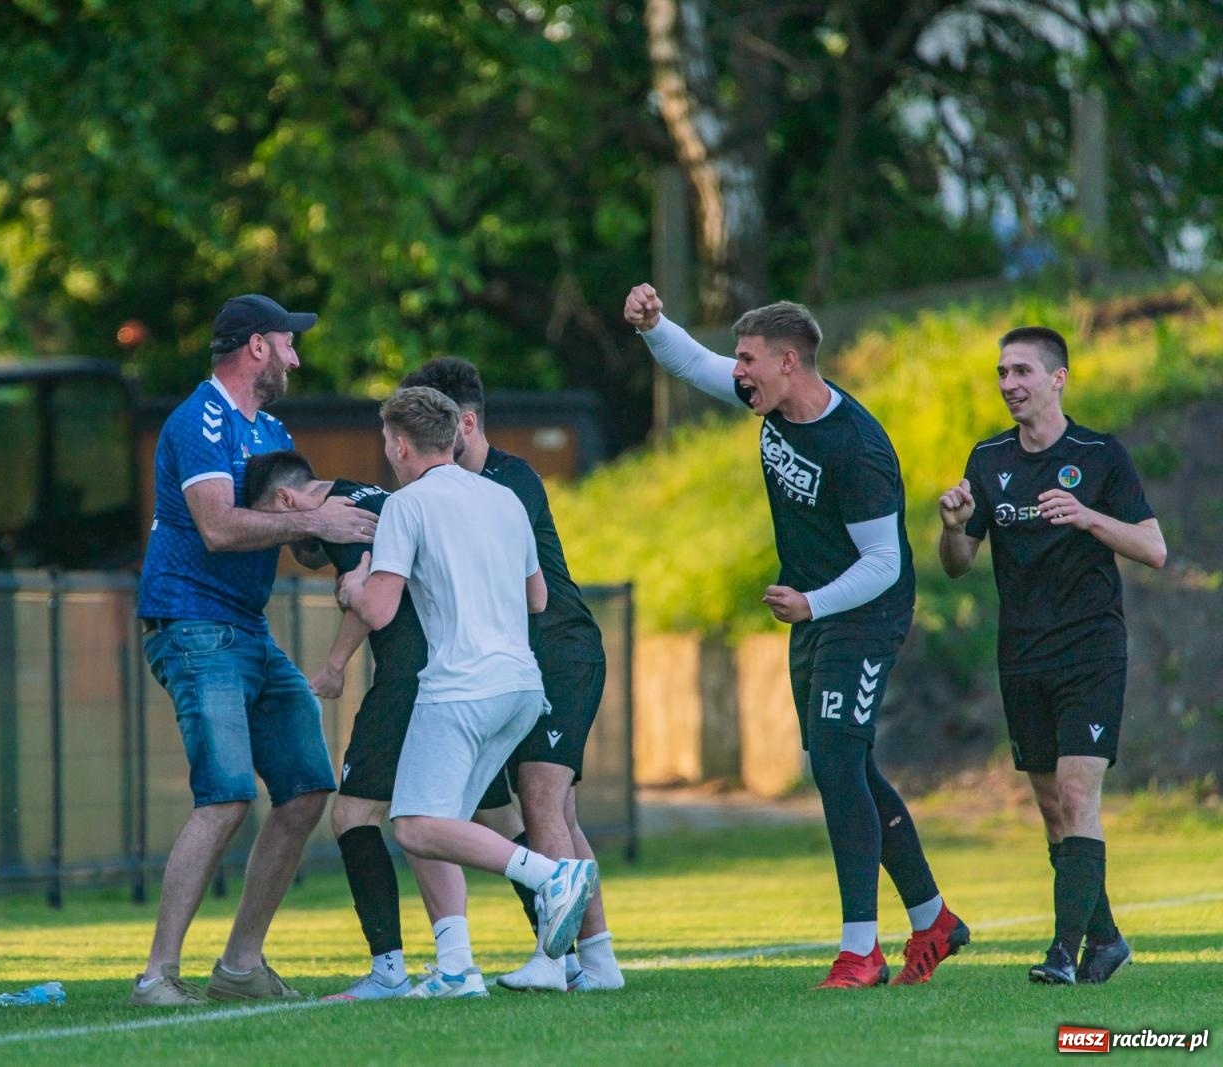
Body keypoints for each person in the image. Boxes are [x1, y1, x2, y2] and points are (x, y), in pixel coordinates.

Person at [624, 283, 966, 989]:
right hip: (815, 609)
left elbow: (885, 563)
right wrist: (655, 326)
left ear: (788, 361)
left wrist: (812, 601)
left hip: (863, 610)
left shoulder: (858, 447)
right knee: (847, 766)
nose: (737, 371)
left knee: (837, 763)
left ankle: (860, 949)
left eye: (747, 359)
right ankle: (934, 919)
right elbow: (691, 363)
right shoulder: (768, 397)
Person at [130, 294, 376, 1007]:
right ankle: (157, 974)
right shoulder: (199, 419)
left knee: (305, 787)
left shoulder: (269, 427)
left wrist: (345, 547)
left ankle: (240, 965)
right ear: (257, 347)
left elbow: (292, 527)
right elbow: (215, 526)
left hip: (247, 627)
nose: (298, 355)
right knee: (228, 794)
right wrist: (317, 518)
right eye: (289, 342)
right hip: (192, 623)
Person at [338, 386, 599, 999]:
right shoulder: (504, 498)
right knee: (440, 818)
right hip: (520, 687)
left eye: (386, 441)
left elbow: (378, 608)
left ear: (400, 444)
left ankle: (551, 877)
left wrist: (351, 584)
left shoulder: (406, 506)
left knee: (413, 824)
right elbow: (538, 597)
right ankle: (456, 969)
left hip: (458, 688)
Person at [937, 326, 1164, 985]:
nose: (1009, 384)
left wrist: (1088, 516)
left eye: (1022, 372)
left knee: (1075, 789)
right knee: (1051, 804)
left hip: (1091, 649)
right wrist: (953, 530)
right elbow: (957, 566)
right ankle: (1107, 937)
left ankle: (1064, 953)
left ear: (1057, 378)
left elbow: (1154, 548)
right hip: (1022, 654)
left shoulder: (1099, 455)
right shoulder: (987, 458)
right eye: (1002, 373)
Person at [399, 357, 622, 993]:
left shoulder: (507, 481)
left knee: (542, 801)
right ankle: (597, 960)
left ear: (464, 423)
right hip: (525, 660)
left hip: (559, 649)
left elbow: (529, 594)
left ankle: (556, 963)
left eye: (431, 428)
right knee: (555, 813)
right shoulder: (452, 489)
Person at [243, 449, 426, 1001]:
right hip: (462, 668)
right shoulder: (373, 493)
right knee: (484, 812)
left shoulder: (342, 517)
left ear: (285, 502)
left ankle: (389, 971)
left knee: (352, 815)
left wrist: (333, 667)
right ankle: (564, 954)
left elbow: (370, 606)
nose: (284, 542)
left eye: (275, 528)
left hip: (410, 676)